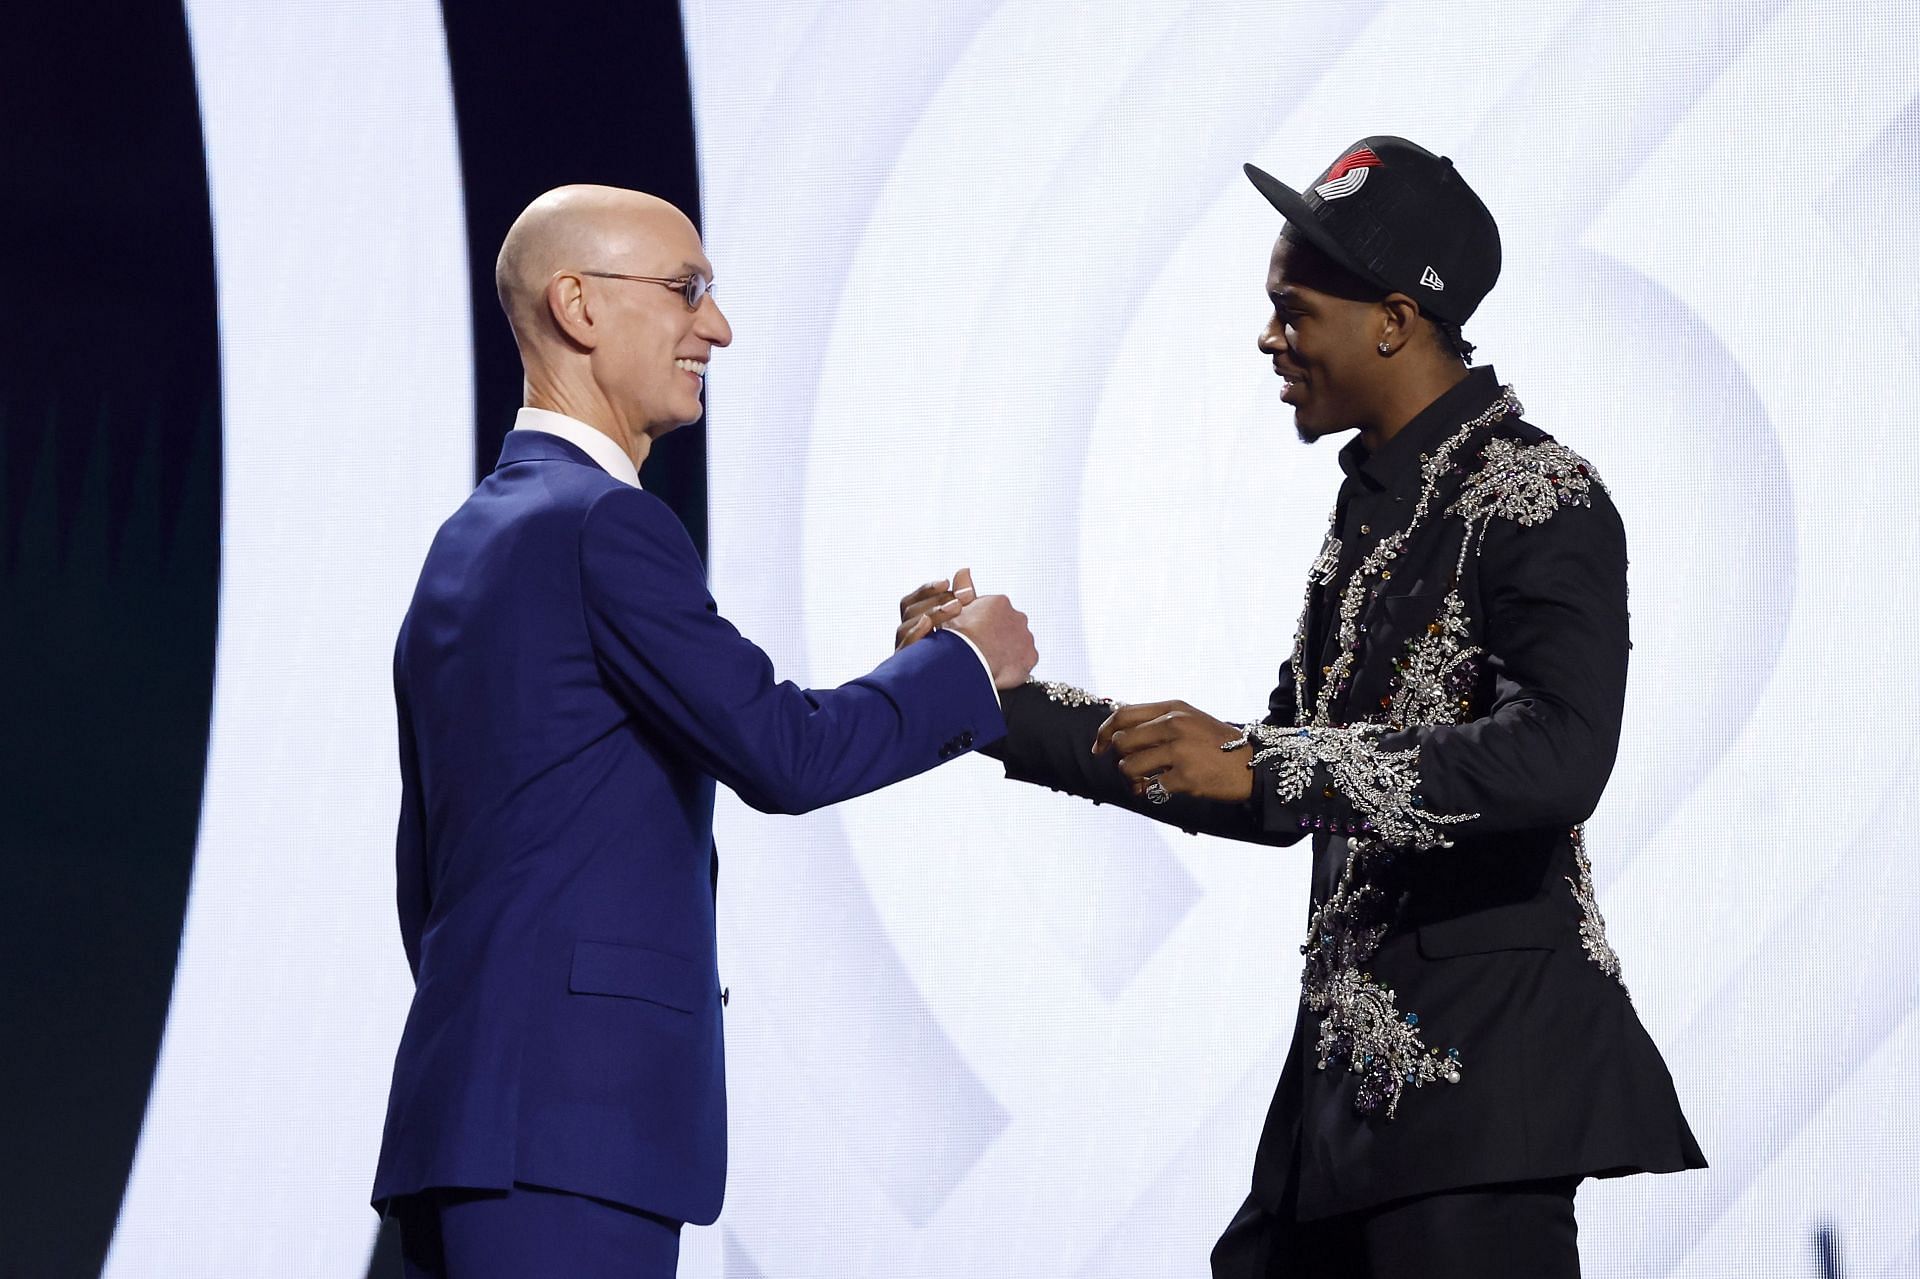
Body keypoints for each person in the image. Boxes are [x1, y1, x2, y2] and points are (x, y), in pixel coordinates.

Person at [912, 138, 1704, 1276]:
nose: (1269, 336)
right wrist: (988, 701)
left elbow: (1560, 756)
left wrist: (1272, 764)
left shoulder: (1542, 495)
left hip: (1480, 1106)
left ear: (1392, 319)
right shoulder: (1373, 516)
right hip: (1340, 1130)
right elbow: (1255, 777)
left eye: (1292, 307)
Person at [370, 185, 1038, 1277]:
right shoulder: (604, 523)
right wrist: (968, 664)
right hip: (567, 1138)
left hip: (481, 1123)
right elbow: (782, 750)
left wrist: (910, 662)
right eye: (688, 290)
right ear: (578, 306)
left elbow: (433, 869)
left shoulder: (474, 538)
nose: (716, 326)